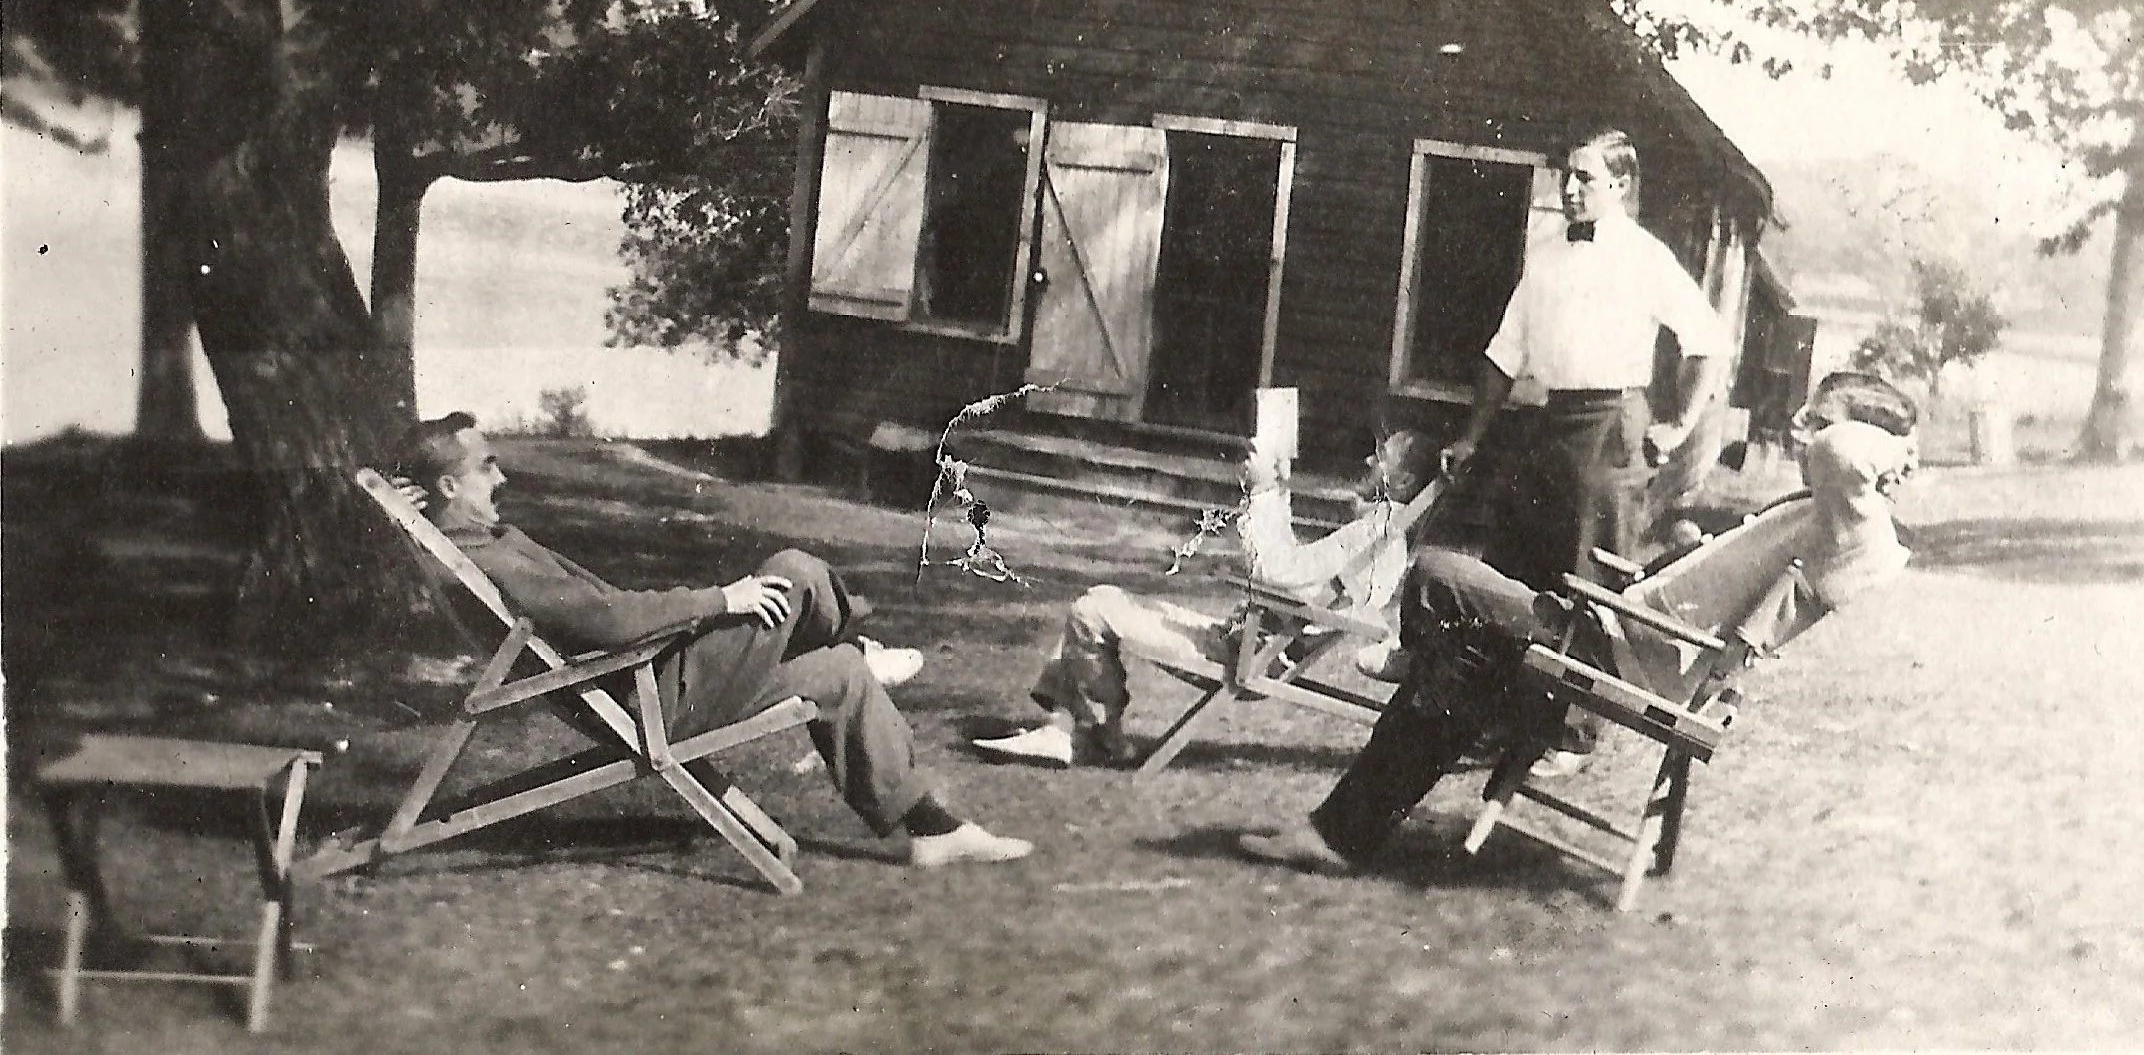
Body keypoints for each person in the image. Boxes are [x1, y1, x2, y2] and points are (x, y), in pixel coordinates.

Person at [1237, 377, 1918, 874]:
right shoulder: (1823, 512)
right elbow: (1837, 459)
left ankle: (1355, 793)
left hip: (1617, 650)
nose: (1803, 427)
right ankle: (1337, 831)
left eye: (1819, 419)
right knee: (1462, 669)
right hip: (1622, 636)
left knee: (1438, 572)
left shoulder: (1849, 522)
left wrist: (1892, 446)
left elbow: (1843, 455)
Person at [392, 411, 1031, 867]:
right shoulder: (491, 561)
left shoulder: (482, 543)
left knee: (838, 674)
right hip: (650, 694)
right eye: (486, 466)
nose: (501, 478)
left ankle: (932, 830)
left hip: (647, 681)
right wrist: (719, 602)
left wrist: (404, 505)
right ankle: (856, 637)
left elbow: (602, 611)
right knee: (794, 573)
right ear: (449, 486)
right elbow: (605, 621)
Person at [1355, 128, 1730, 770]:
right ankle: (1493, 711)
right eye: (1567, 175)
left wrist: (1675, 424)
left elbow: (1706, 340)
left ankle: (1574, 734)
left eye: (1586, 177)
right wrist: (1471, 435)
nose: (1572, 187)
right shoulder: (1546, 256)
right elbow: (1505, 352)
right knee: (1515, 565)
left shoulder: (1644, 257)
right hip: (1551, 424)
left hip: (1612, 427)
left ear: (1620, 185)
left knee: (1590, 578)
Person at [967, 427, 1442, 768]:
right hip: (1253, 643)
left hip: (1244, 653)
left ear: (1399, 483)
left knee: (1090, 609)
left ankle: (1085, 732)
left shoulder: (1373, 536)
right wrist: (1281, 492)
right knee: (1101, 598)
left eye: (1380, 455)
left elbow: (1276, 571)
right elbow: (1303, 577)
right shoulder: (1381, 536)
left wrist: (1263, 491)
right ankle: (1074, 731)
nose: (1367, 461)